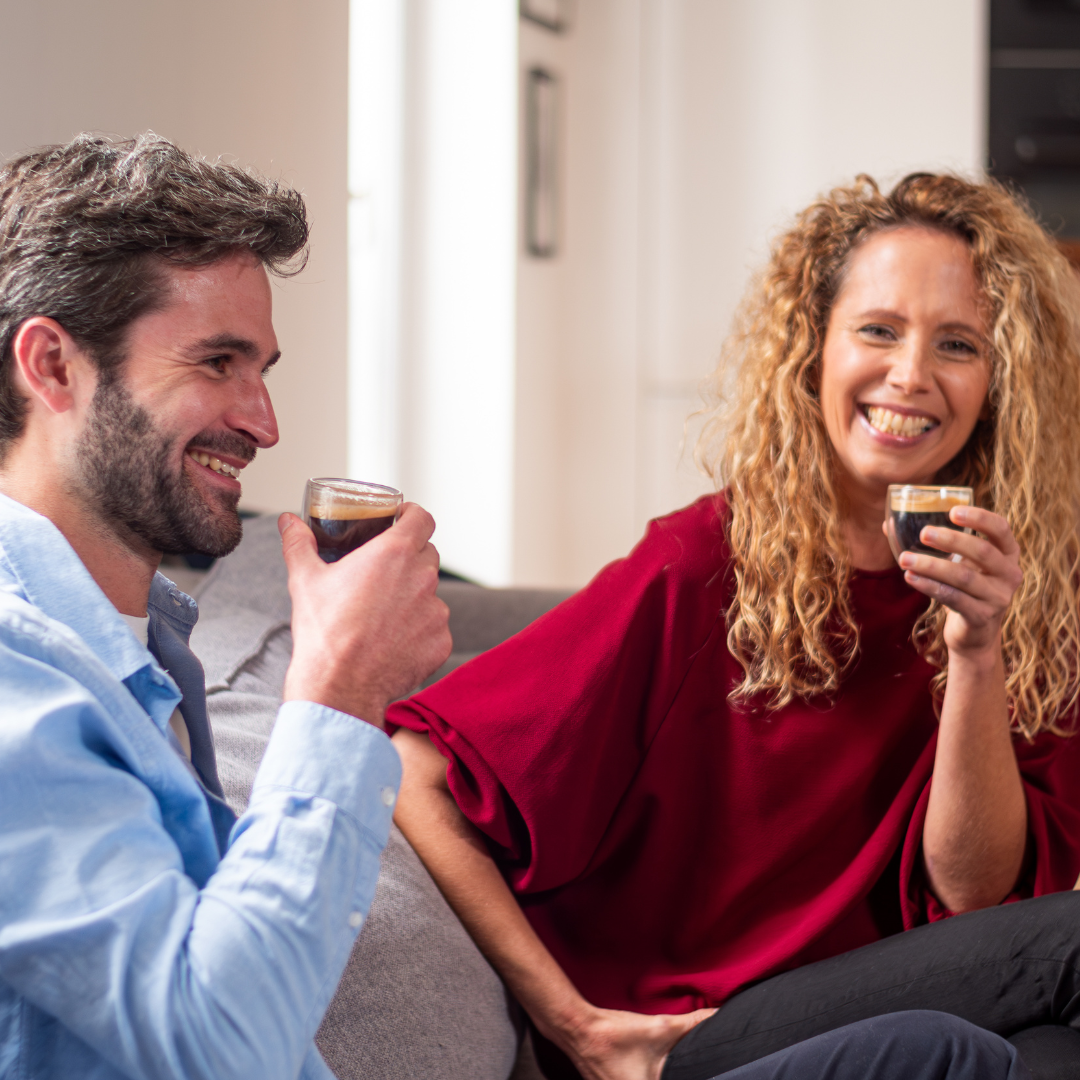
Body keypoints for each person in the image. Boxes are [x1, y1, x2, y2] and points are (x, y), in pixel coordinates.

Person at [386, 173, 1080, 1080]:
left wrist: (976, 651)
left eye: (958, 344)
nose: (911, 374)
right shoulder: (703, 558)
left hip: (881, 1013)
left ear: (999, 383)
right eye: (877, 330)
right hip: (694, 1029)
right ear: (813, 351)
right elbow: (412, 771)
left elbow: (974, 891)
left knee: (1052, 1055)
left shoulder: (1013, 592)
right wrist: (574, 1026)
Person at [0, 134, 451, 1079]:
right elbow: (217, 1049)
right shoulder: (17, 676)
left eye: (265, 369)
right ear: (51, 368)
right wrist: (337, 692)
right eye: (216, 362)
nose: (264, 422)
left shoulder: (146, 642)